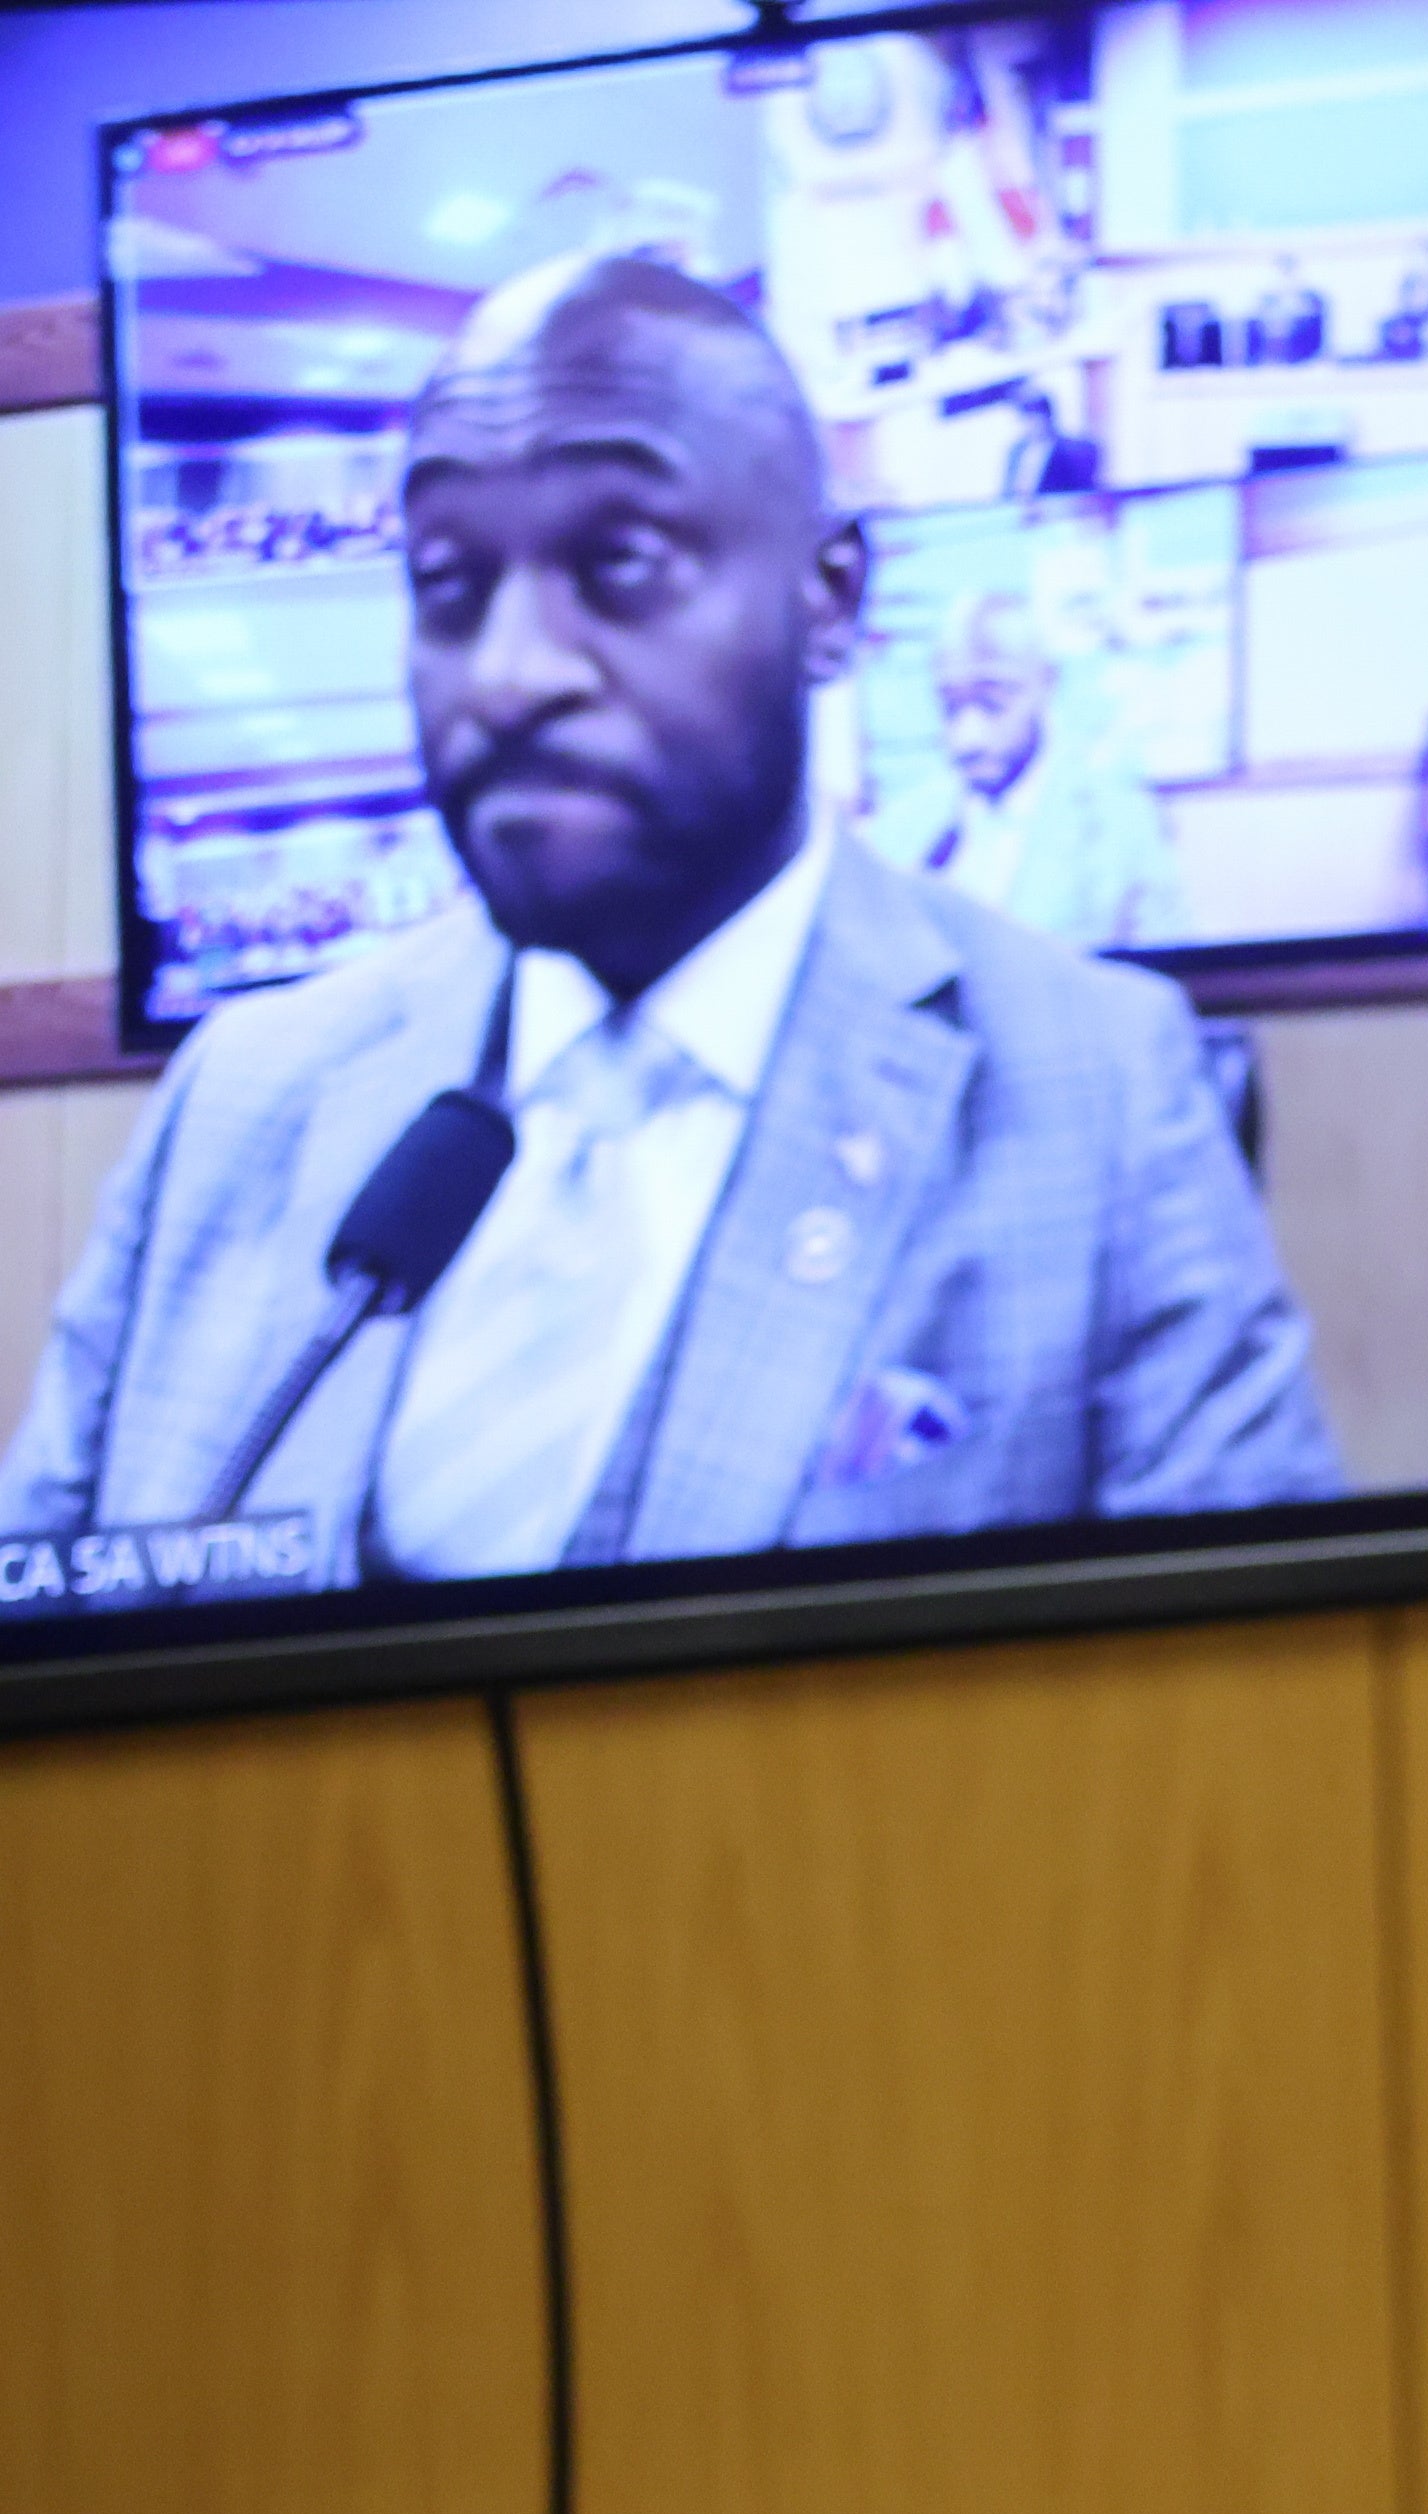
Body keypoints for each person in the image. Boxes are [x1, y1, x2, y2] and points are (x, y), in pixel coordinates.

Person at [1, 253, 1329, 1593]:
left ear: (829, 600)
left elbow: (1248, 1742)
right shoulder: (242, 1101)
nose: (512, 673)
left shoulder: (1105, 1091)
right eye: (448, 579)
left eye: (620, 563)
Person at [895, 584, 1185, 951]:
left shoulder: (1124, 826)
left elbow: (1169, 985)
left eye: (992, 703)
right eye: (950, 707)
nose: (966, 739)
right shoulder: (900, 831)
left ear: (1047, 683)